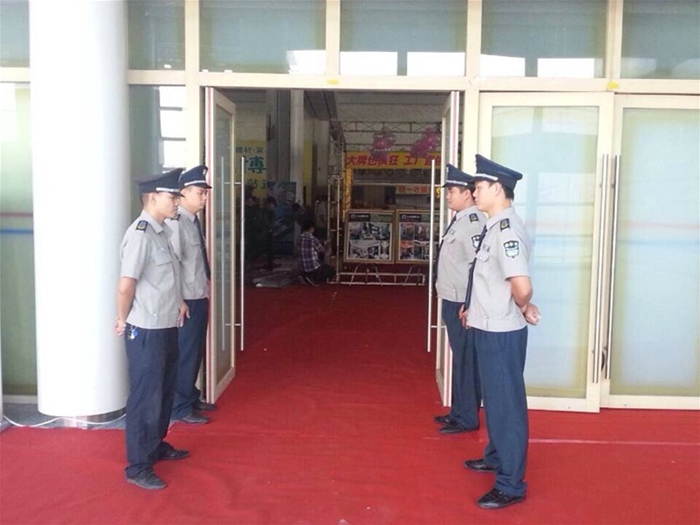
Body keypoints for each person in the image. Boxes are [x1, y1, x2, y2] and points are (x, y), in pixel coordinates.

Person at [458, 154, 541, 510]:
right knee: (494, 401)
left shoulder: (507, 231)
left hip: (501, 333)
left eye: (479, 186)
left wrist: (524, 305)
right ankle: (495, 456)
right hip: (487, 325)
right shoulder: (494, 225)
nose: (474, 192)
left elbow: (521, 285)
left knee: (506, 406)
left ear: (497, 189)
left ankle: (510, 484)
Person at [114, 168, 190, 491]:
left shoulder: (161, 232)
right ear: (153, 198)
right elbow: (126, 284)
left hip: (166, 324)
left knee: (164, 390)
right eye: (173, 197)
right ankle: (138, 465)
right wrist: (122, 319)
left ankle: (155, 444)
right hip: (146, 329)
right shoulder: (141, 234)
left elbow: (164, 279)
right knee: (145, 397)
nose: (177, 202)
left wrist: (179, 302)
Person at [433, 164, 486, 435]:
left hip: (462, 302)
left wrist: (470, 303)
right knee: (460, 357)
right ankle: (458, 411)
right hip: (451, 298)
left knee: (466, 359)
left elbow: (478, 266)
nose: (448, 196)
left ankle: (467, 417)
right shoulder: (460, 219)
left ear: (467, 193)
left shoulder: (474, 222)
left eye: (452, 191)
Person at [166, 165, 217, 425]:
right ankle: (180, 405)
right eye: (200, 192)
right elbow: (171, 266)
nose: (204, 197)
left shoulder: (191, 221)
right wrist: (178, 300)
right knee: (185, 352)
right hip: (186, 299)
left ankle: (190, 395)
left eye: (205, 193)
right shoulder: (176, 224)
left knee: (195, 350)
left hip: (198, 295)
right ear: (183, 192)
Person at [298, 218, 335, 286]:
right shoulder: (312, 239)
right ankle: (314, 279)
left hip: (302, 266)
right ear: (311, 228)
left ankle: (304, 275)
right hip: (312, 267)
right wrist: (328, 244)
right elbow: (323, 251)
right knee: (332, 270)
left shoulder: (299, 238)